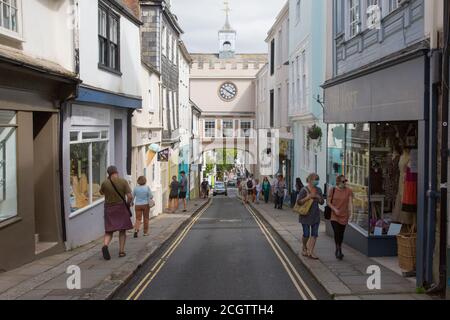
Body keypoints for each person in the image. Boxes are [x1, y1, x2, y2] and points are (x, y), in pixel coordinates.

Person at [100, 166, 133, 260]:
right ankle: (121, 252)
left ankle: (105, 245)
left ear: (108, 174)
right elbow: (130, 196)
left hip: (109, 208)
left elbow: (101, 193)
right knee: (122, 230)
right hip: (120, 208)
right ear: (116, 172)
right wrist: (127, 204)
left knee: (109, 231)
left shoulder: (105, 183)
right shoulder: (123, 181)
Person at [297, 173, 325, 260]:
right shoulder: (304, 190)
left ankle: (311, 252)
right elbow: (299, 202)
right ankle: (304, 246)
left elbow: (322, 202)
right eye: (315, 179)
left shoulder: (319, 190)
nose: (317, 181)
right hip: (305, 215)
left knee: (314, 234)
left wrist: (318, 197)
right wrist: (308, 197)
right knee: (306, 234)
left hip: (315, 215)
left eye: (318, 179)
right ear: (310, 180)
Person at [327, 175, 353, 260]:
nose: (345, 183)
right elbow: (328, 202)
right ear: (338, 182)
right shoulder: (333, 190)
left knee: (341, 234)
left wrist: (351, 214)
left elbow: (350, 203)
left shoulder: (348, 190)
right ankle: (338, 250)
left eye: (345, 181)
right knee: (337, 232)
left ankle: (339, 248)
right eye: (343, 181)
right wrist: (334, 209)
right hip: (334, 215)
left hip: (344, 215)